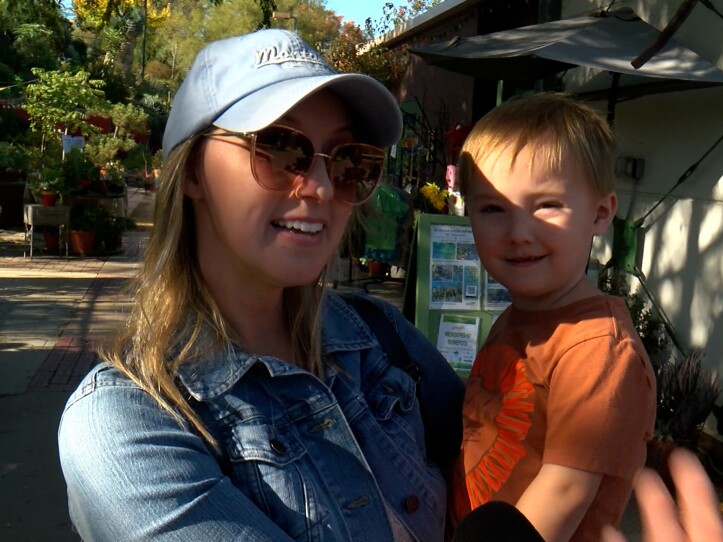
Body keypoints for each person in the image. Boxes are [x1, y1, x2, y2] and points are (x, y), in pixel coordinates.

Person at [57, 28, 464, 541]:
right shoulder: (126, 424)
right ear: (192, 174)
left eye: (346, 159)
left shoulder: (379, 336)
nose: (318, 186)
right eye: (279, 146)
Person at [450, 92, 657, 542]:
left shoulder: (596, 350)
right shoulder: (521, 316)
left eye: (546, 205)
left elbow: (563, 490)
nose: (519, 233)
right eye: (492, 209)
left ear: (600, 214)